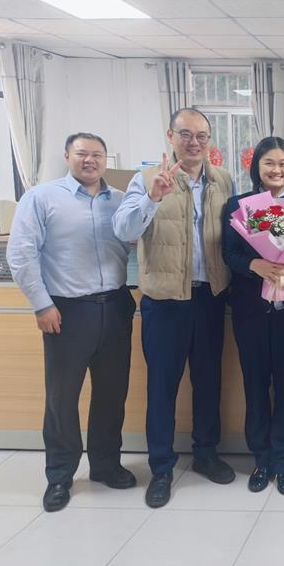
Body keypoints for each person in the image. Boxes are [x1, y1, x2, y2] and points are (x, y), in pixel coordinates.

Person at [7, 132, 137, 512]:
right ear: (67, 156)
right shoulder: (41, 198)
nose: (90, 160)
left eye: (97, 154)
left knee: (112, 393)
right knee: (62, 397)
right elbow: (21, 254)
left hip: (115, 305)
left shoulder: (120, 201)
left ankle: (106, 465)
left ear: (106, 160)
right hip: (66, 311)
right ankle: (60, 475)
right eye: (82, 153)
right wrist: (41, 305)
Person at [113, 108, 234, 508]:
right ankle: (161, 468)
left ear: (209, 140)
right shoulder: (147, 179)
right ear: (170, 136)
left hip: (210, 297)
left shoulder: (223, 180)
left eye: (201, 136)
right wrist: (152, 197)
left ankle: (205, 454)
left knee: (208, 381)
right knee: (162, 387)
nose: (194, 142)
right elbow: (124, 230)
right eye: (186, 134)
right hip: (164, 302)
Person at [222, 136, 284, 496]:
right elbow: (228, 253)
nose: (277, 170)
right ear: (256, 167)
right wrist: (254, 265)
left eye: (283, 164)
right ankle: (261, 458)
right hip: (251, 312)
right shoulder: (239, 205)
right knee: (255, 385)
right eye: (269, 163)